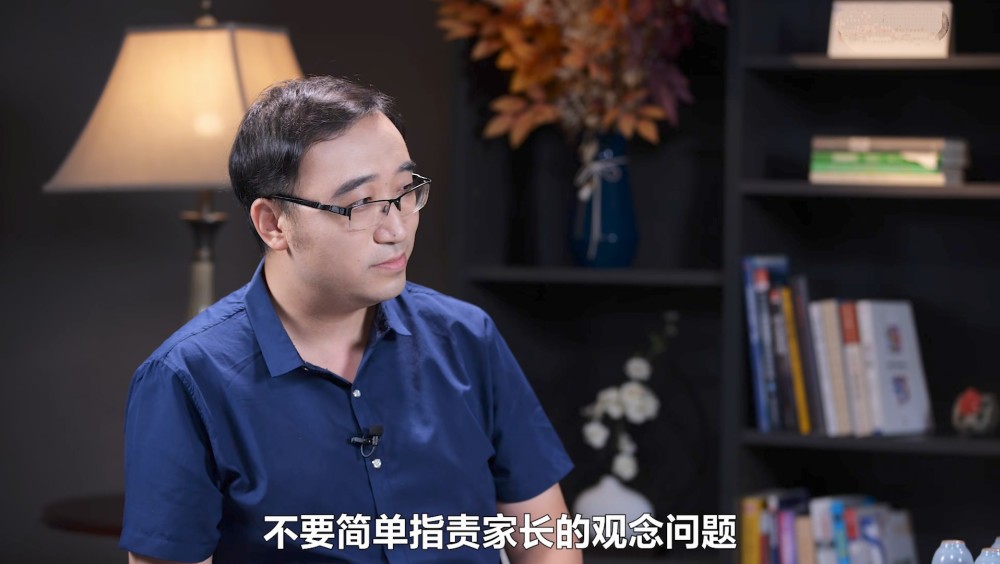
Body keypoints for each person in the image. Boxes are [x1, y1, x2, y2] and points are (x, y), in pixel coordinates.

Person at [119, 75, 580, 563]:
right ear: (273, 224)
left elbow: (547, 543)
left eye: (405, 191)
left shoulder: (466, 337)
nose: (396, 228)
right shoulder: (187, 378)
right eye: (360, 204)